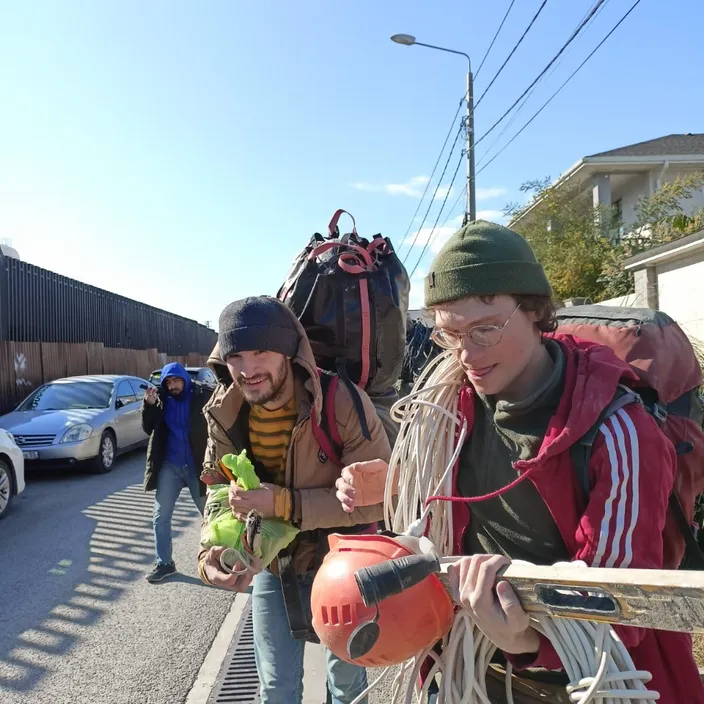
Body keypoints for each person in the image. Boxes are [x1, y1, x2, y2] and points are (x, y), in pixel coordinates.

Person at [334, 221, 704, 703]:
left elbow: (619, 608)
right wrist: (391, 486)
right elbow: (447, 499)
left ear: (534, 311)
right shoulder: (447, 410)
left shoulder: (620, 433)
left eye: (486, 329)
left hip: (587, 683)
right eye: (450, 335)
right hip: (463, 669)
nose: (466, 353)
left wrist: (523, 641)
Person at [197, 296, 391, 704]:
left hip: (345, 565)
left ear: (288, 350)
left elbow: (380, 499)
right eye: (236, 356)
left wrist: (284, 505)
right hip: (275, 567)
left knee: (347, 690)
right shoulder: (225, 412)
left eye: (261, 352)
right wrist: (210, 555)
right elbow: (216, 492)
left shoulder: (341, 401)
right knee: (276, 691)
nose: (248, 370)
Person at [142, 362, 212, 583]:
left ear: (185, 379)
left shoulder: (202, 395)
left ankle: (218, 561)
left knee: (210, 515)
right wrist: (149, 405)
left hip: (197, 465)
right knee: (160, 517)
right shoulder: (160, 401)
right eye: (168, 382)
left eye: (176, 380)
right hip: (170, 466)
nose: (172, 386)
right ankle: (164, 564)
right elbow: (148, 428)